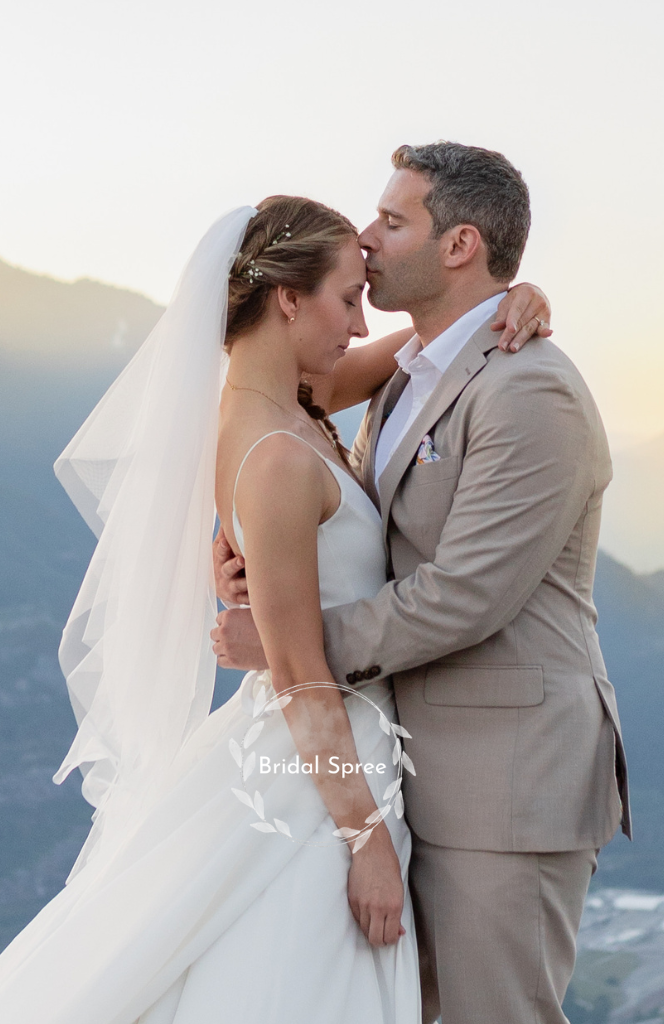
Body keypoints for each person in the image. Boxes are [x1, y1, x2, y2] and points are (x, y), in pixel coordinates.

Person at [0, 188, 546, 1024]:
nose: (358, 324)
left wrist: (511, 300)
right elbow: (297, 675)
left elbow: (423, 350)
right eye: (347, 299)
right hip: (318, 771)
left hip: (335, 751)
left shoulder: (282, 408)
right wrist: (364, 843)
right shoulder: (278, 452)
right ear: (287, 299)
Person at [212, 143, 631, 1024]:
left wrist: (294, 648)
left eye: (392, 221)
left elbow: (466, 595)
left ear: (459, 246)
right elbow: (276, 434)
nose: (366, 240)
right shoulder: (404, 379)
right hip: (399, 766)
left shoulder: (529, 392)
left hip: (505, 782)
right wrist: (241, 538)